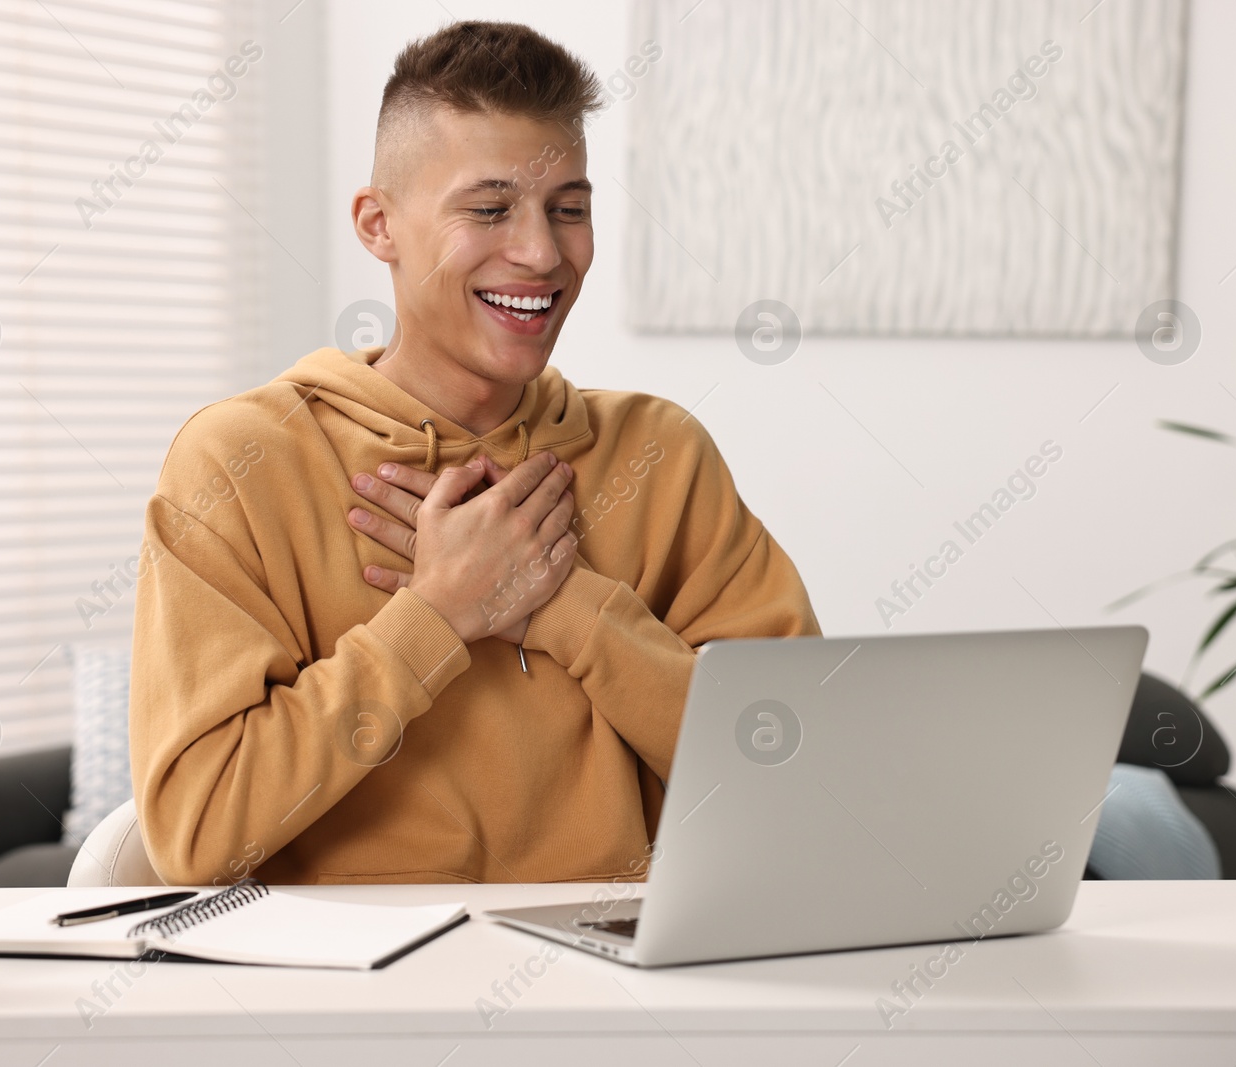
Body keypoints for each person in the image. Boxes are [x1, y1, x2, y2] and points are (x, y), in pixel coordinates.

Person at [129, 20, 820, 887]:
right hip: (352, 1003)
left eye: (568, 208)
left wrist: (564, 607)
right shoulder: (238, 462)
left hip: (622, 994)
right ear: (379, 226)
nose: (541, 252)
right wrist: (435, 616)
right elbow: (199, 834)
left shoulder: (662, 454)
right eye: (489, 209)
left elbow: (800, 779)